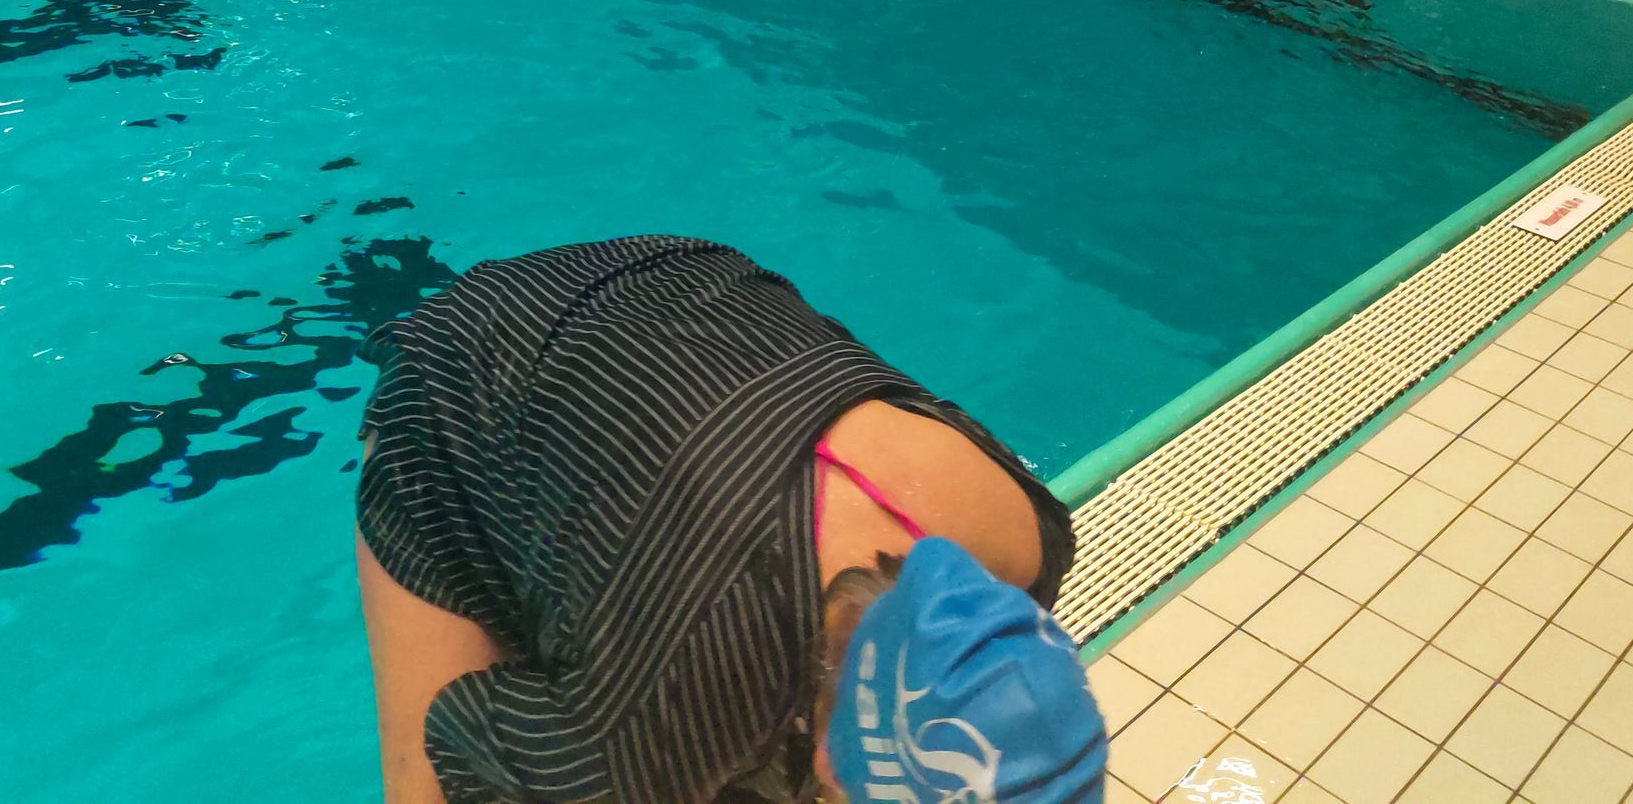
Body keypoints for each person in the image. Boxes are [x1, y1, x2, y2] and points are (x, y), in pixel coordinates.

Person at [357, 235, 1106, 804]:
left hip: (680, 287)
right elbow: (458, 731)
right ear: (829, 762)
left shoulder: (1028, 535)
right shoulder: (653, 729)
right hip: (454, 383)